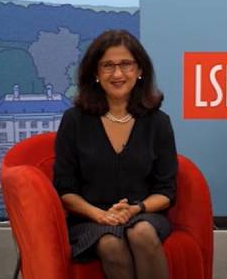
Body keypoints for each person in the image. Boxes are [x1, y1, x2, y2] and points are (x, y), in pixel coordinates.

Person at [53, 29, 177, 279]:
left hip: (143, 213)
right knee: (110, 243)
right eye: (108, 65)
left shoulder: (158, 122)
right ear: (96, 73)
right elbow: (65, 189)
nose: (118, 74)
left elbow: (166, 192)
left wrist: (135, 209)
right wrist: (100, 215)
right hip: (89, 218)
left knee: (141, 232)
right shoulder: (74, 121)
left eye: (126, 64)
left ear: (139, 70)